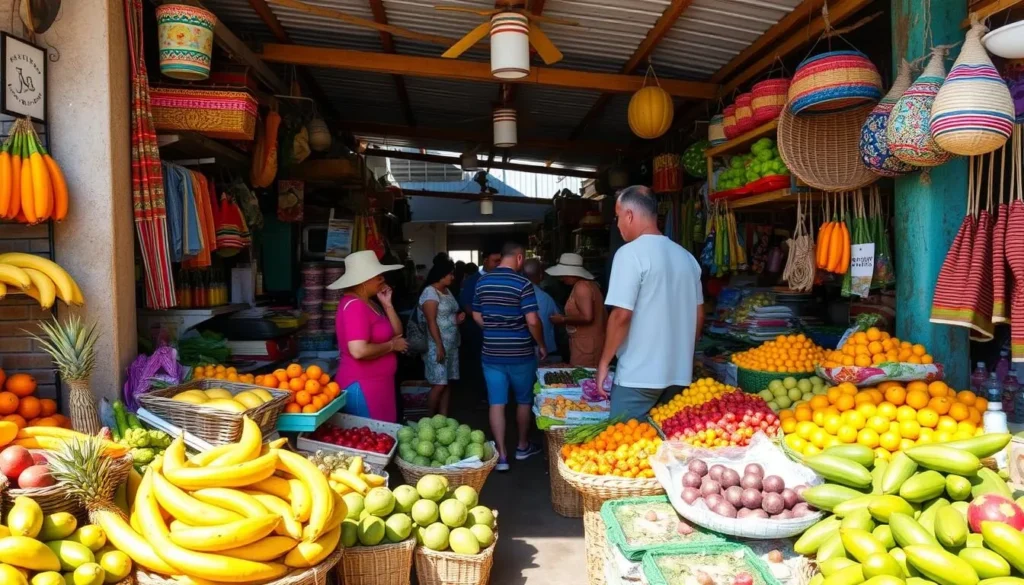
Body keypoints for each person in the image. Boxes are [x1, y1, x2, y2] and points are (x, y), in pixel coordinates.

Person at [596, 186, 704, 420]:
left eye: (617, 217)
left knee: (626, 439)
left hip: (638, 377)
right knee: (666, 438)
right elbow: (699, 316)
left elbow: (621, 315)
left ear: (629, 215)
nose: (618, 225)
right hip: (679, 377)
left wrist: (604, 362)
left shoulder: (629, 254)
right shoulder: (688, 258)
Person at [473, 242, 546, 470]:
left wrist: (492, 330)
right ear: (520, 258)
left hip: (491, 353)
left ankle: (502, 456)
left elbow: (476, 314)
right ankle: (522, 446)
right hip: (520, 353)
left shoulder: (482, 281)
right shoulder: (523, 284)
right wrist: (541, 343)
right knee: (523, 401)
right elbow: (532, 320)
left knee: (496, 403)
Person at [329, 250, 409, 423]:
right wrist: (392, 346)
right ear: (364, 280)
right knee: (370, 435)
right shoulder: (354, 305)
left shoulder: (369, 303)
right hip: (363, 385)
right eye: (378, 276)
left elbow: (397, 334)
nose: (383, 279)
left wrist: (388, 305)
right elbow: (358, 350)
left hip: (379, 384)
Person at [419, 258, 464, 415]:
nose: (453, 277)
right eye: (450, 274)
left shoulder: (447, 291)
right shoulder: (430, 292)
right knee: (439, 384)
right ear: (441, 274)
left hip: (451, 345)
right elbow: (431, 321)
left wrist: (457, 320)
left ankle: (443, 417)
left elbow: (446, 315)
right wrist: (439, 346)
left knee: (446, 382)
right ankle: (429, 417)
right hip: (437, 346)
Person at [547, 252, 607, 367]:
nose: (562, 278)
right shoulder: (590, 285)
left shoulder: (582, 287)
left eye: (564, 274)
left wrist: (562, 319)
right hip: (586, 343)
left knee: (582, 374)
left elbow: (587, 317)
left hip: (587, 346)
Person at [523, 258, 562, 363]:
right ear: (540, 276)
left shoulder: (514, 293)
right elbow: (557, 318)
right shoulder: (546, 298)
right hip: (544, 349)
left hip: (519, 349)